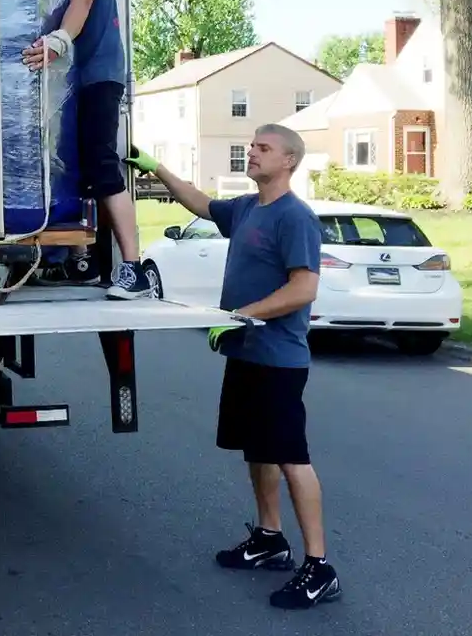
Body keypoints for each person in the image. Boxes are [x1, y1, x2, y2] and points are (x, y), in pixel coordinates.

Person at [126, 124, 341, 611]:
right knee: (258, 450)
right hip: (247, 354)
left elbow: (304, 288)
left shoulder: (295, 217)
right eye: (252, 146)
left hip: (279, 360)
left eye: (263, 148)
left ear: (288, 160)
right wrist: (153, 167)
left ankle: (319, 567)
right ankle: (270, 538)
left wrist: (245, 315)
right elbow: (198, 202)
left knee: (291, 457)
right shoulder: (246, 208)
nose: (253, 152)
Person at [22, 0, 154, 300]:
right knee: (71, 163)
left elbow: (83, 0)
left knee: (100, 163)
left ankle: (134, 268)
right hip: (73, 79)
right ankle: (80, 262)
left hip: (100, 74)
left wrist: (59, 41)